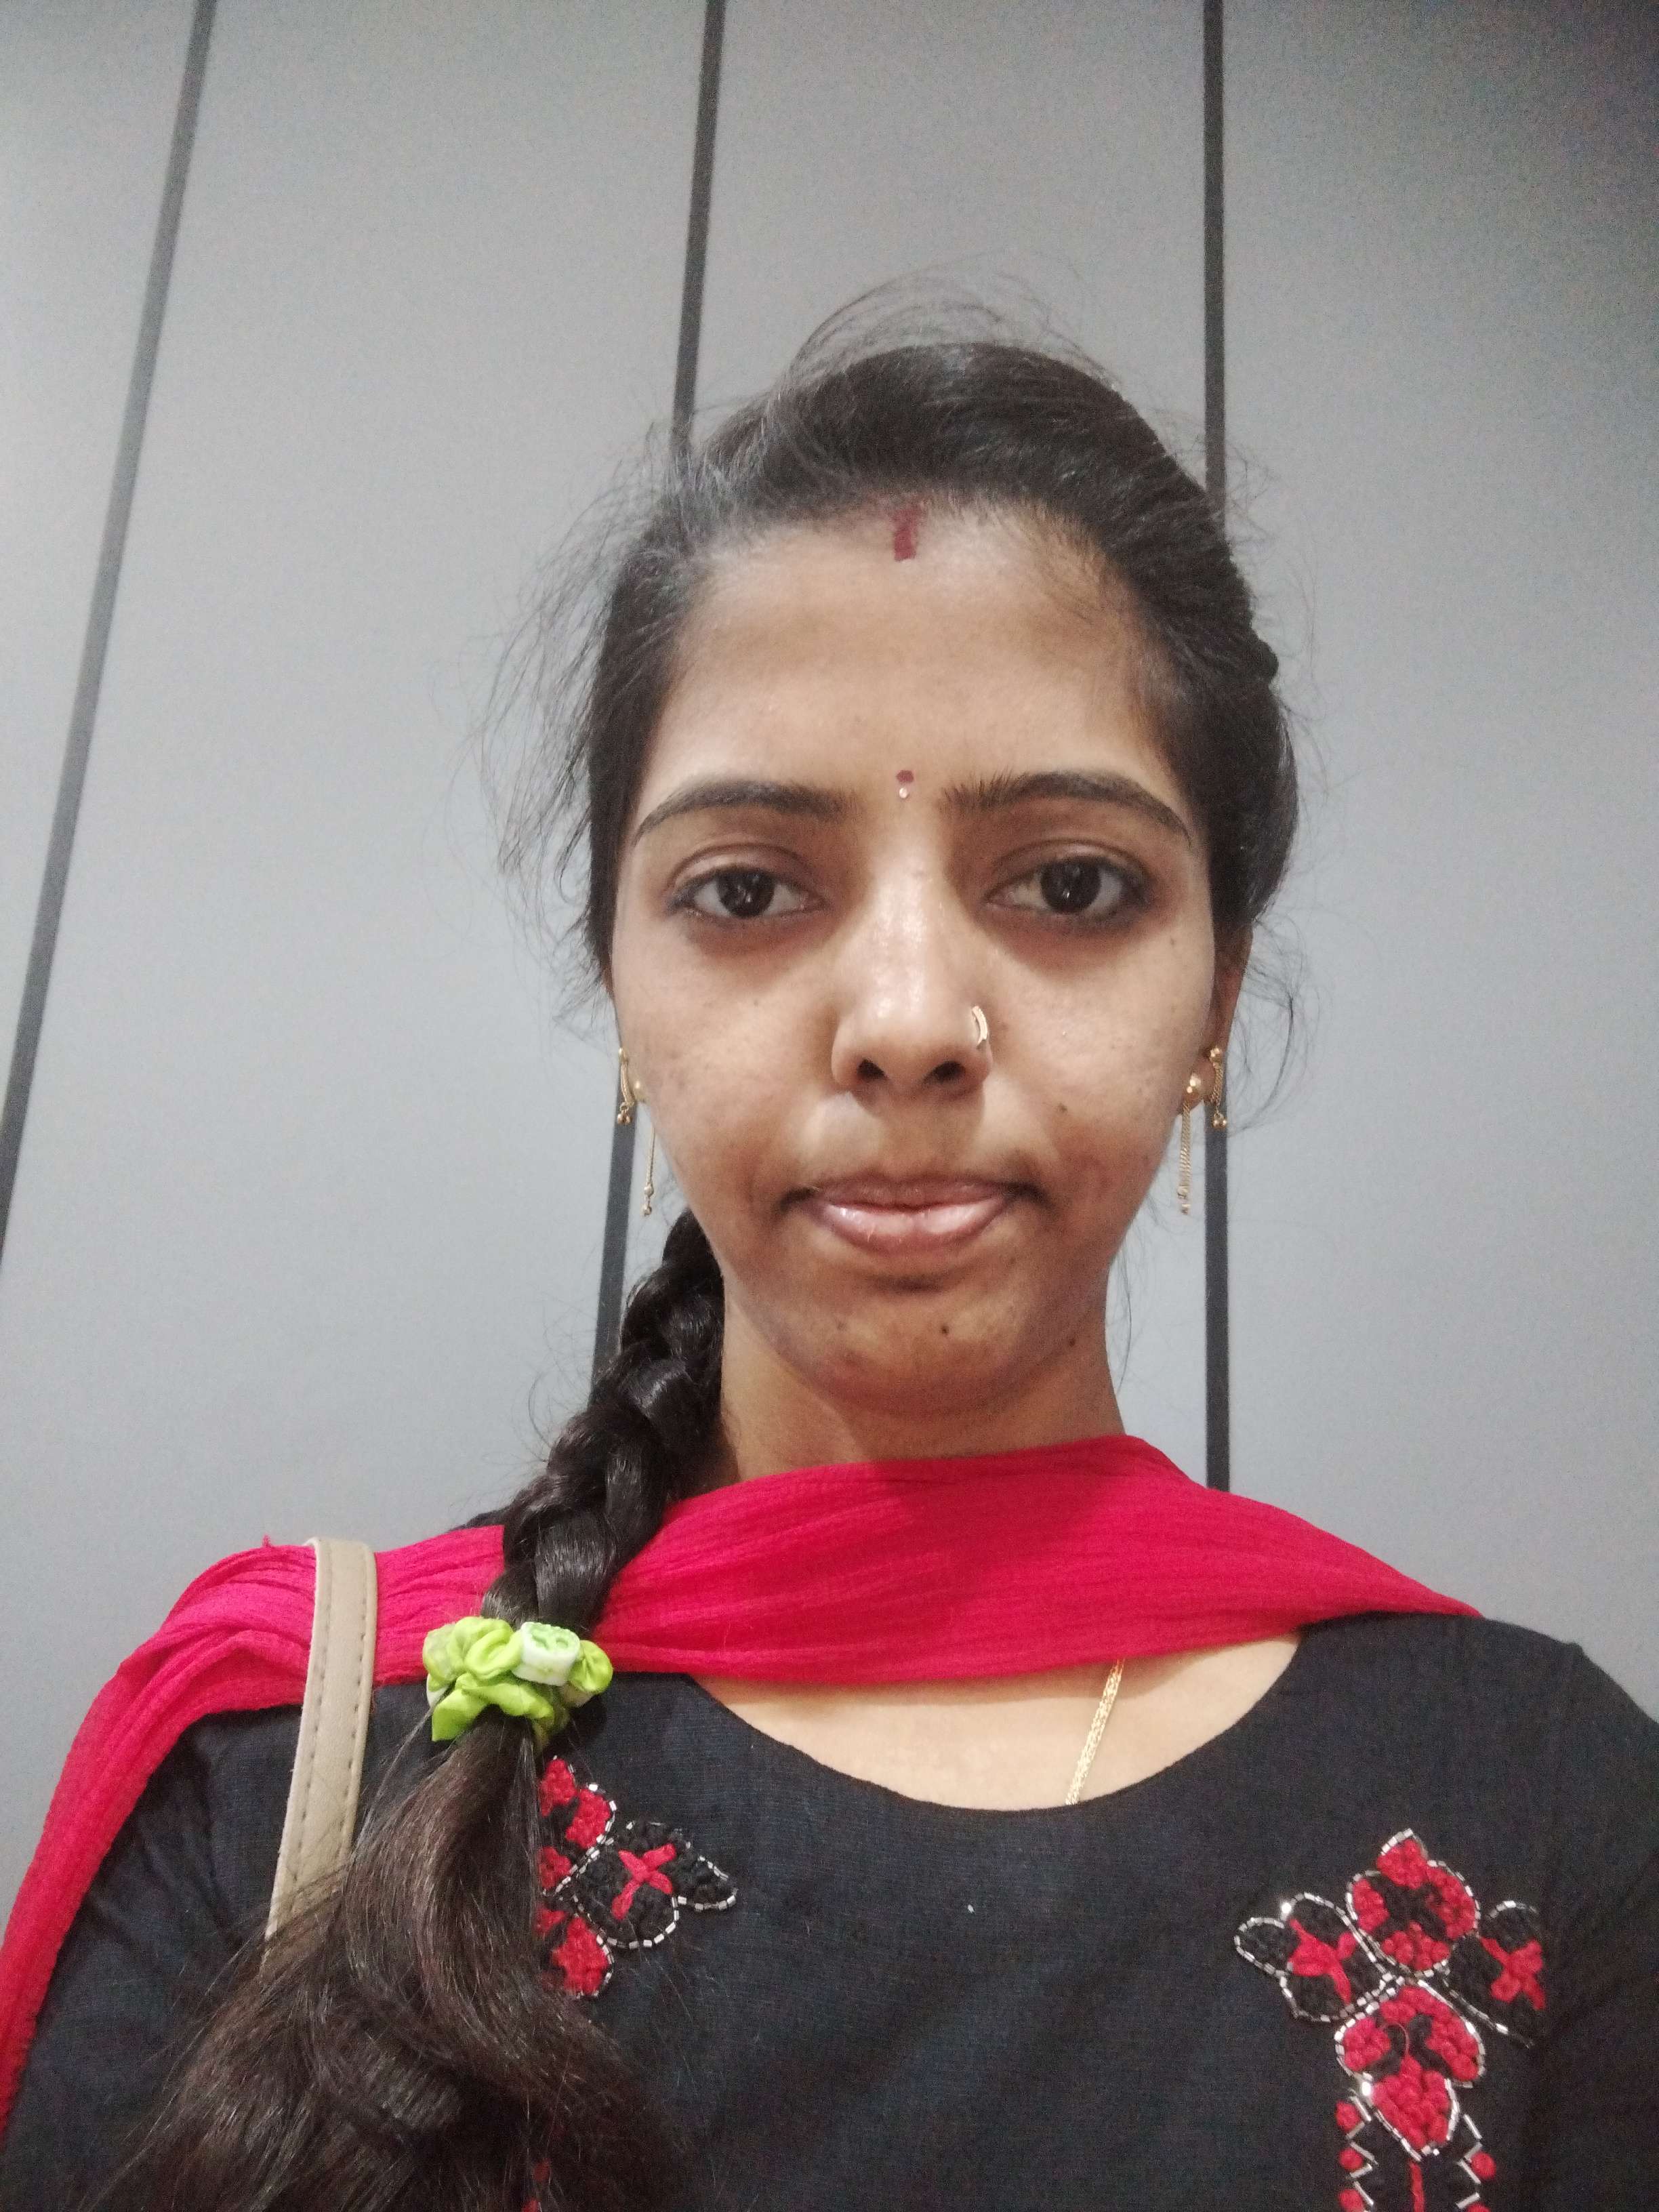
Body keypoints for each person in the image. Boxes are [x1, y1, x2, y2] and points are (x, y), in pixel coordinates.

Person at [1, 308, 1654, 2212]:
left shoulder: (1550, 1812)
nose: (908, 1023)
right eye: (748, 891)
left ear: (1216, 993)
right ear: (621, 991)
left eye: (1071, 884)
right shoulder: (288, 1771)